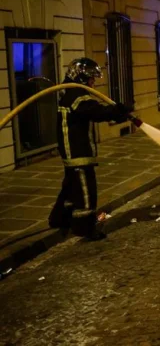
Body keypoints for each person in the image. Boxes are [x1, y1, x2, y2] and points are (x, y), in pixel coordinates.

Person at [49, 58, 133, 240]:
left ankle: (59, 219)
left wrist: (117, 113)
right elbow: (94, 112)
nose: (93, 83)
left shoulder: (70, 92)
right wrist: (117, 111)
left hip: (74, 150)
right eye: (91, 79)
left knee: (71, 186)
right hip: (77, 151)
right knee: (86, 191)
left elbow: (92, 111)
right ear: (81, 77)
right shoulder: (76, 95)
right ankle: (85, 228)